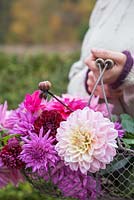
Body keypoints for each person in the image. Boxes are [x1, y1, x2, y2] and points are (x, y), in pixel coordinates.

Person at [67, 0, 134, 117]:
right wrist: (89, 80)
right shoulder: (106, 3)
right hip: (91, 130)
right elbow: (76, 74)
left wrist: (127, 75)